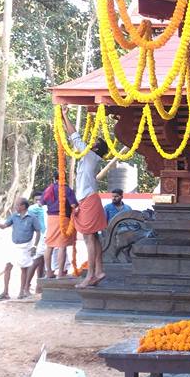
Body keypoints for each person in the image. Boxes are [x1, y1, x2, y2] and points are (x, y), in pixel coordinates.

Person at [60, 106, 109, 288]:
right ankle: (98, 271)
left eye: (93, 142)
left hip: (88, 200)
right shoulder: (90, 157)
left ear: (95, 147)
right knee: (93, 237)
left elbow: (75, 137)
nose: (90, 142)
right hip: (90, 199)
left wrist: (65, 116)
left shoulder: (89, 155)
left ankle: (90, 275)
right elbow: (75, 139)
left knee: (89, 239)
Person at [0, 198, 42, 300]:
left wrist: (34, 246)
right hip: (14, 245)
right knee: (8, 267)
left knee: (24, 269)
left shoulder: (32, 217)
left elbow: (38, 232)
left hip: (26, 246)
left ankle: (21, 292)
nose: (15, 207)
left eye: (17, 205)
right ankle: (5, 292)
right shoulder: (14, 216)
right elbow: (3, 226)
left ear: (23, 206)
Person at [39, 172, 78, 278]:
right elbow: (73, 205)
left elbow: (41, 203)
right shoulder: (66, 189)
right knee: (62, 246)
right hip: (63, 218)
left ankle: (49, 272)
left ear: (54, 178)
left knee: (49, 245)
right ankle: (60, 273)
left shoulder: (49, 189)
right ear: (64, 178)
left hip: (51, 219)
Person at [28, 190, 47, 282]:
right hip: (37, 238)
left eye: (40, 199)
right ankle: (27, 286)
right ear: (33, 200)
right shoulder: (32, 208)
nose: (39, 202)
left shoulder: (45, 208)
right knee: (36, 261)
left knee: (42, 262)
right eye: (36, 200)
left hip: (44, 237)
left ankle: (39, 283)